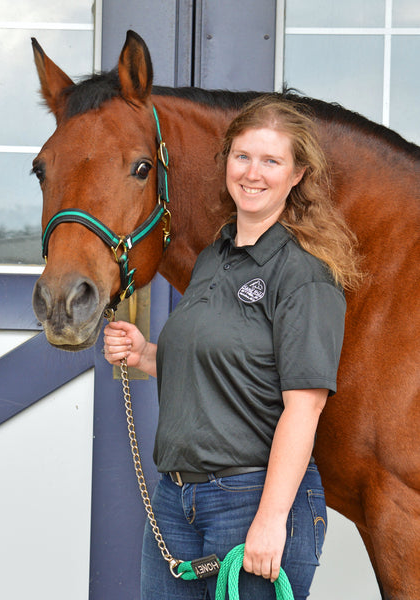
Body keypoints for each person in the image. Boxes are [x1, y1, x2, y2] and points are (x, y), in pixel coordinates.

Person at [103, 95, 362, 600]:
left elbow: (303, 409)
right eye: (242, 156)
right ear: (226, 162)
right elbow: (222, 368)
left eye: (272, 161)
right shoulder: (212, 257)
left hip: (250, 498)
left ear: (297, 175)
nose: (252, 173)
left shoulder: (304, 276)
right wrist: (146, 355)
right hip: (176, 498)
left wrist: (270, 519)